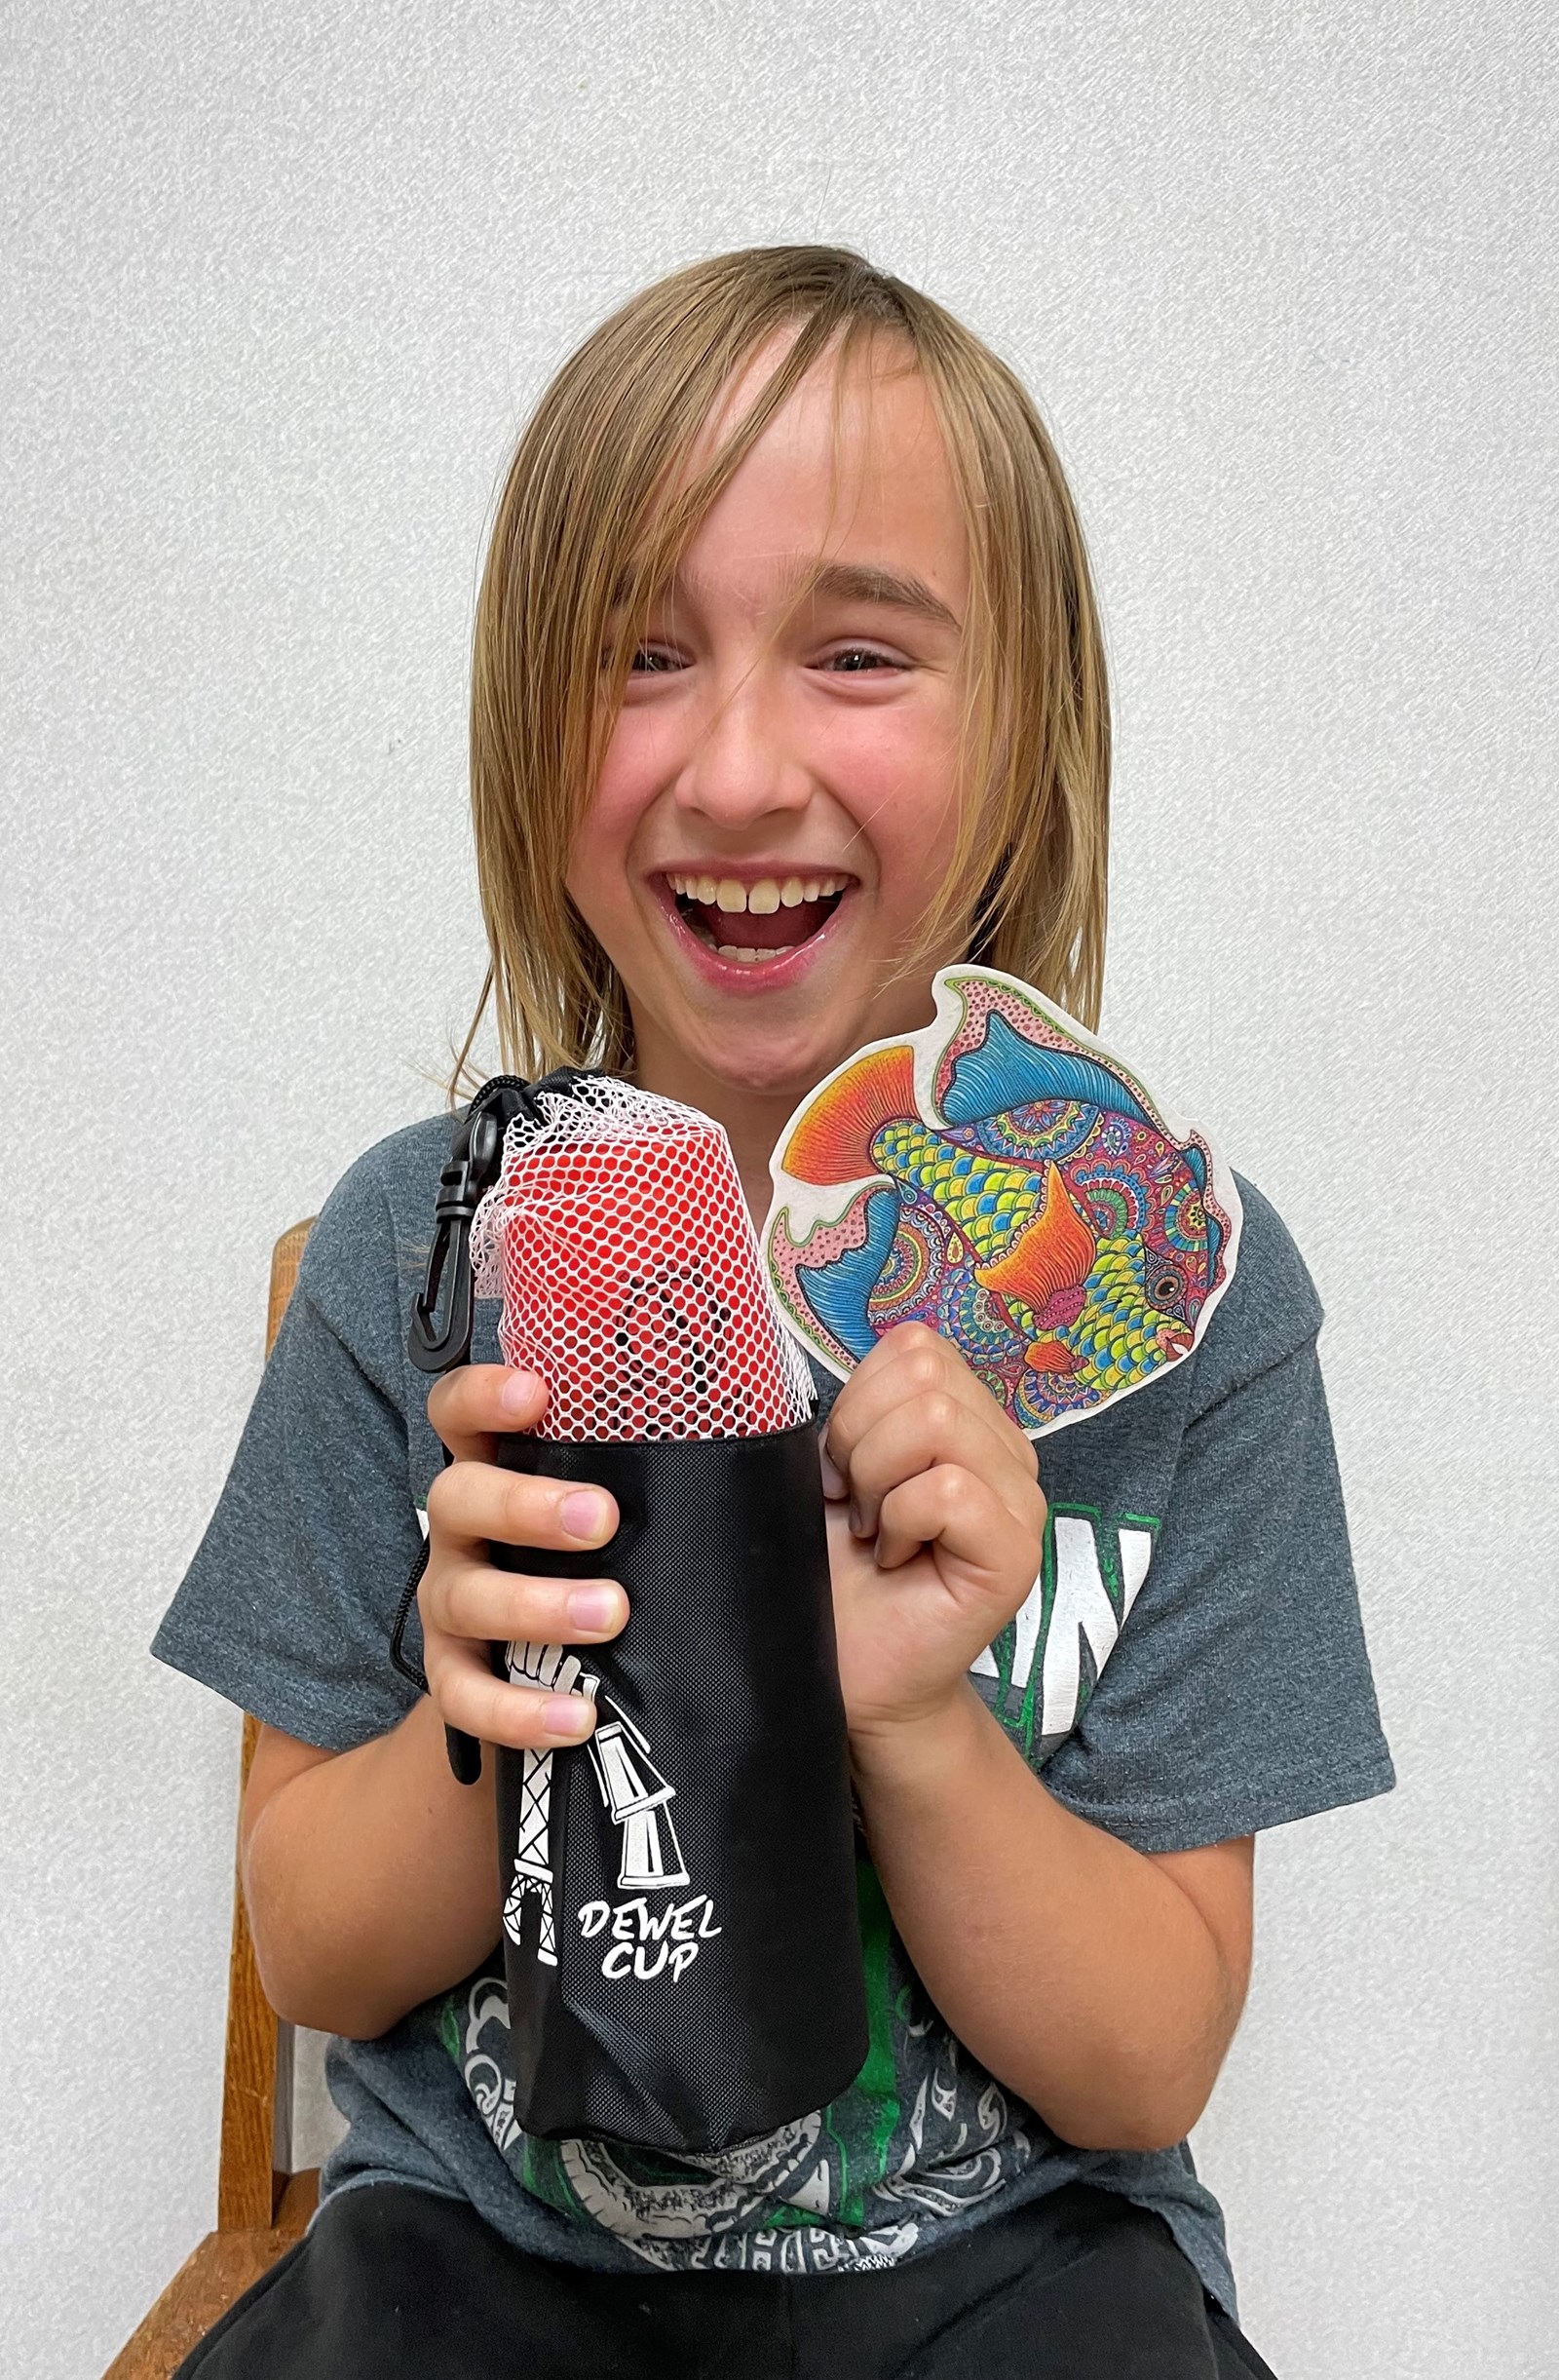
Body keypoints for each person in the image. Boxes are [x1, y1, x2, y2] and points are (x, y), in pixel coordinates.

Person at [152, 245, 1394, 2378]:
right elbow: (319, 1952)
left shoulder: (1170, 1307)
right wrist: (489, 1709)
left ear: (1025, 729)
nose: (735, 769)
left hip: (1020, 2261)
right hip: (481, 2253)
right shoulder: (412, 1256)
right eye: (639, 654)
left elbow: (1145, 2062)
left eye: (857, 654)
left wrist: (909, 1715)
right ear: (524, 731)